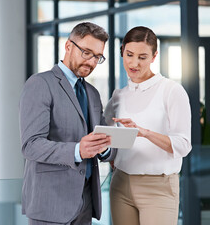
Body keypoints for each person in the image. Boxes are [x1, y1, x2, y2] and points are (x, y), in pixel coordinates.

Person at [19, 22, 116, 225]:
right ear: (68, 46)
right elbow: (31, 145)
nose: (91, 62)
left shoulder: (92, 93)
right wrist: (78, 150)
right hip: (50, 203)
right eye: (86, 52)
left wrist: (106, 147)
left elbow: (104, 143)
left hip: (85, 201)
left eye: (97, 57)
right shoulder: (40, 84)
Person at [104, 26, 192, 225]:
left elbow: (183, 144)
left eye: (142, 57)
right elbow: (104, 133)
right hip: (120, 184)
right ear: (122, 52)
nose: (134, 63)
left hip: (158, 188)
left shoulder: (171, 91)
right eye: (129, 55)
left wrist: (144, 133)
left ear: (154, 57)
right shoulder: (119, 96)